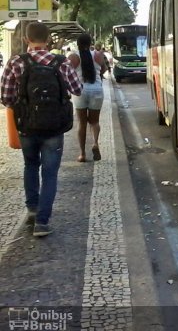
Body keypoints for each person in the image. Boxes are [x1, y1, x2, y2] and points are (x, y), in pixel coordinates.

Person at [1, 22, 82, 237]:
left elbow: (6, 97)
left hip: (26, 126)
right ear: (48, 40)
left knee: (30, 166)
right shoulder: (61, 62)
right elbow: (78, 89)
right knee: (50, 174)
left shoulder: (16, 62)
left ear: (26, 39)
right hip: (54, 127)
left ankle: (32, 209)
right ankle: (42, 222)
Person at [68, 33, 107, 163]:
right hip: (96, 90)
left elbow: (68, 73)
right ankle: (95, 143)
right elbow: (104, 69)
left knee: (82, 123)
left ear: (77, 44)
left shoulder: (73, 56)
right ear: (90, 43)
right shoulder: (98, 55)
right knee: (94, 122)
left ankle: (82, 154)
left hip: (80, 91)